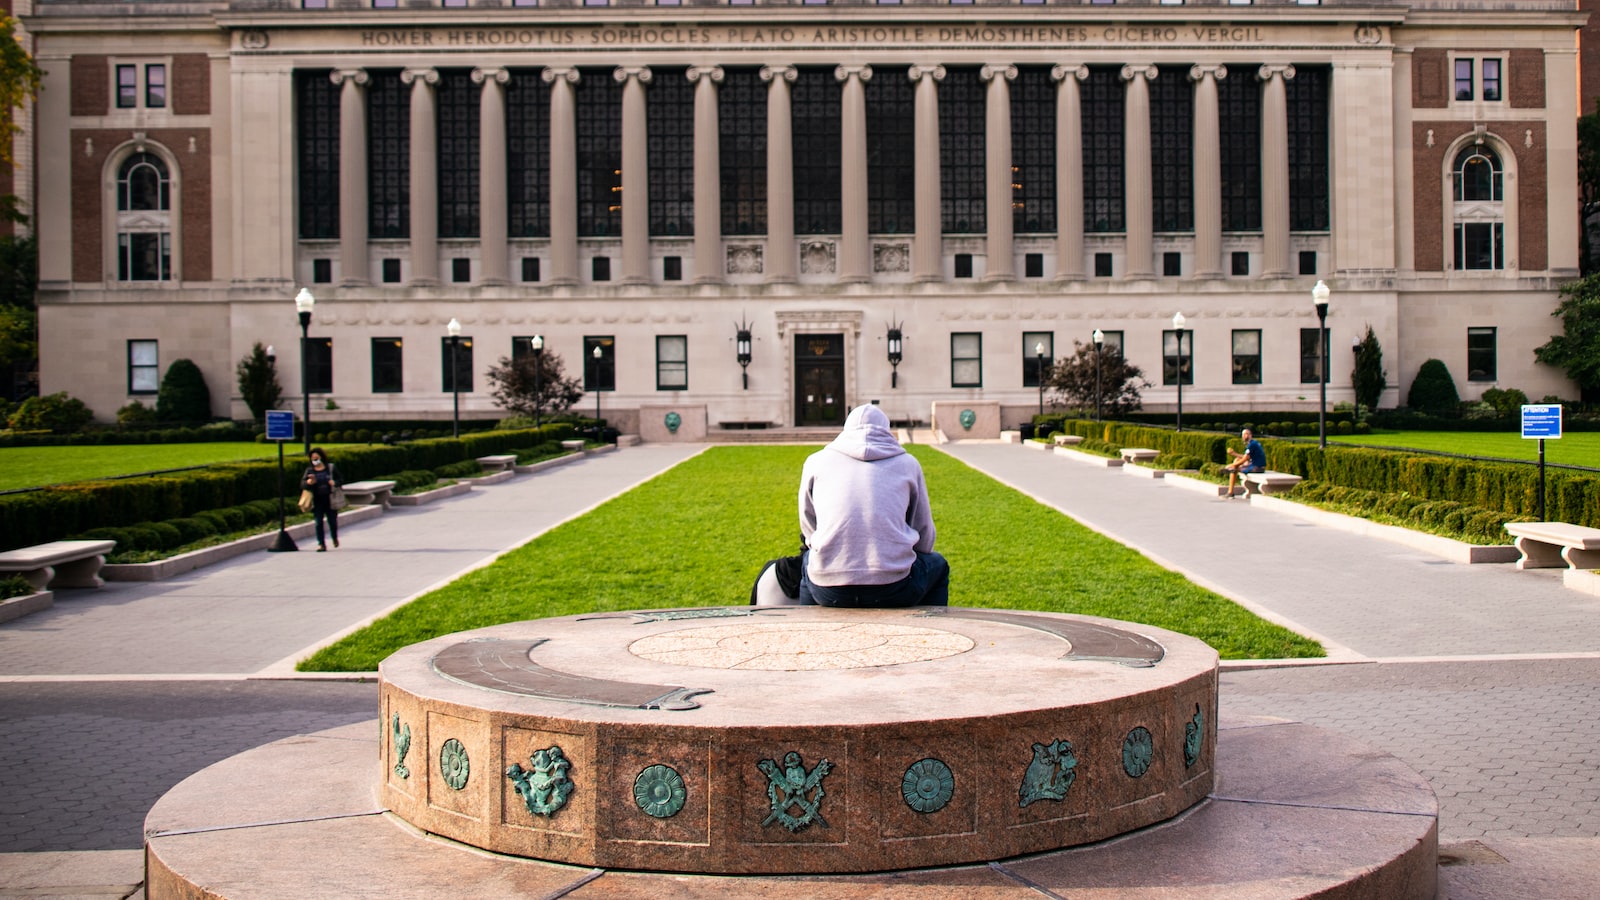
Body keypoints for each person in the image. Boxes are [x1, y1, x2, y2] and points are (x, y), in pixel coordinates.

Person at [797, 405, 949, 607]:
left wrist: (819, 546)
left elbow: (807, 521)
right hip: (895, 586)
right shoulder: (908, 464)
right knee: (938, 565)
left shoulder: (816, 461)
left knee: (809, 562)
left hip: (828, 588)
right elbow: (923, 529)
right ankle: (932, 623)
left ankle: (808, 622)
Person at [302, 447, 343, 551]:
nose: (315, 460)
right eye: (313, 459)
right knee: (318, 522)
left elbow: (340, 479)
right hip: (317, 500)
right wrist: (309, 482)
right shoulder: (310, 470)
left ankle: (334, 537)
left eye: (317, 458)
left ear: (321, 457)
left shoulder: (330, 468)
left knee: (332, 521)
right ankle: (321, 544)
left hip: (330, 499)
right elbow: (303, 484)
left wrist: (335, 483)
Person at [1223, 428, 1267, 498]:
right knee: (1237, 460)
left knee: (1233, 469)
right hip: (1256, 465)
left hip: (1257, 468)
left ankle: (1230, 492)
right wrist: (1234, 454)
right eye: (1243, 434)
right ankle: (1230, 491)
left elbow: (1245, 459)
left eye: (1245, 434)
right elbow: (1246, 457)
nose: (1243, 436)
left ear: (1250, 435)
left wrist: (1232, 465)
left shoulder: (1252, 445)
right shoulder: (1253, 443)